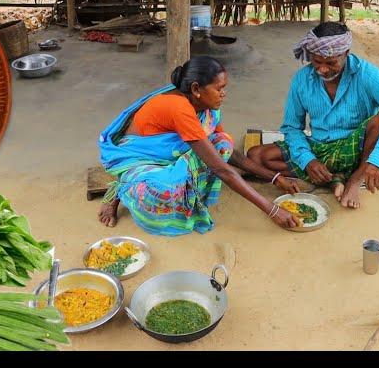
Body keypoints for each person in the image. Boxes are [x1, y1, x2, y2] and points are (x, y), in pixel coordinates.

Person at [97, 55, 301, 236]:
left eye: (224, 88)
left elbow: (226, 152)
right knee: (164, 192)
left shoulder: (205, 108)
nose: (224, 94)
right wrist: (272, 210)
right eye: (219, 88)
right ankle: (119, 189)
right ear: (196, 89)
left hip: (171, 153)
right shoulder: (180, 108)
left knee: (221, 142)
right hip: (140, 158)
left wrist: (275, 177)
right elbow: (221, 169)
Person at [247, 22, 379, 209]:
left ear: (346, 53)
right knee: (256, 156)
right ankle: (333, 178)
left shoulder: (365, 74)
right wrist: (308, 161)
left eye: (331, 63)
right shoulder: (302, 80)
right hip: (319, 149)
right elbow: (291, 127)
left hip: (356, 148)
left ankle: (354, 179)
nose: (322, 69)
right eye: (316, 62)